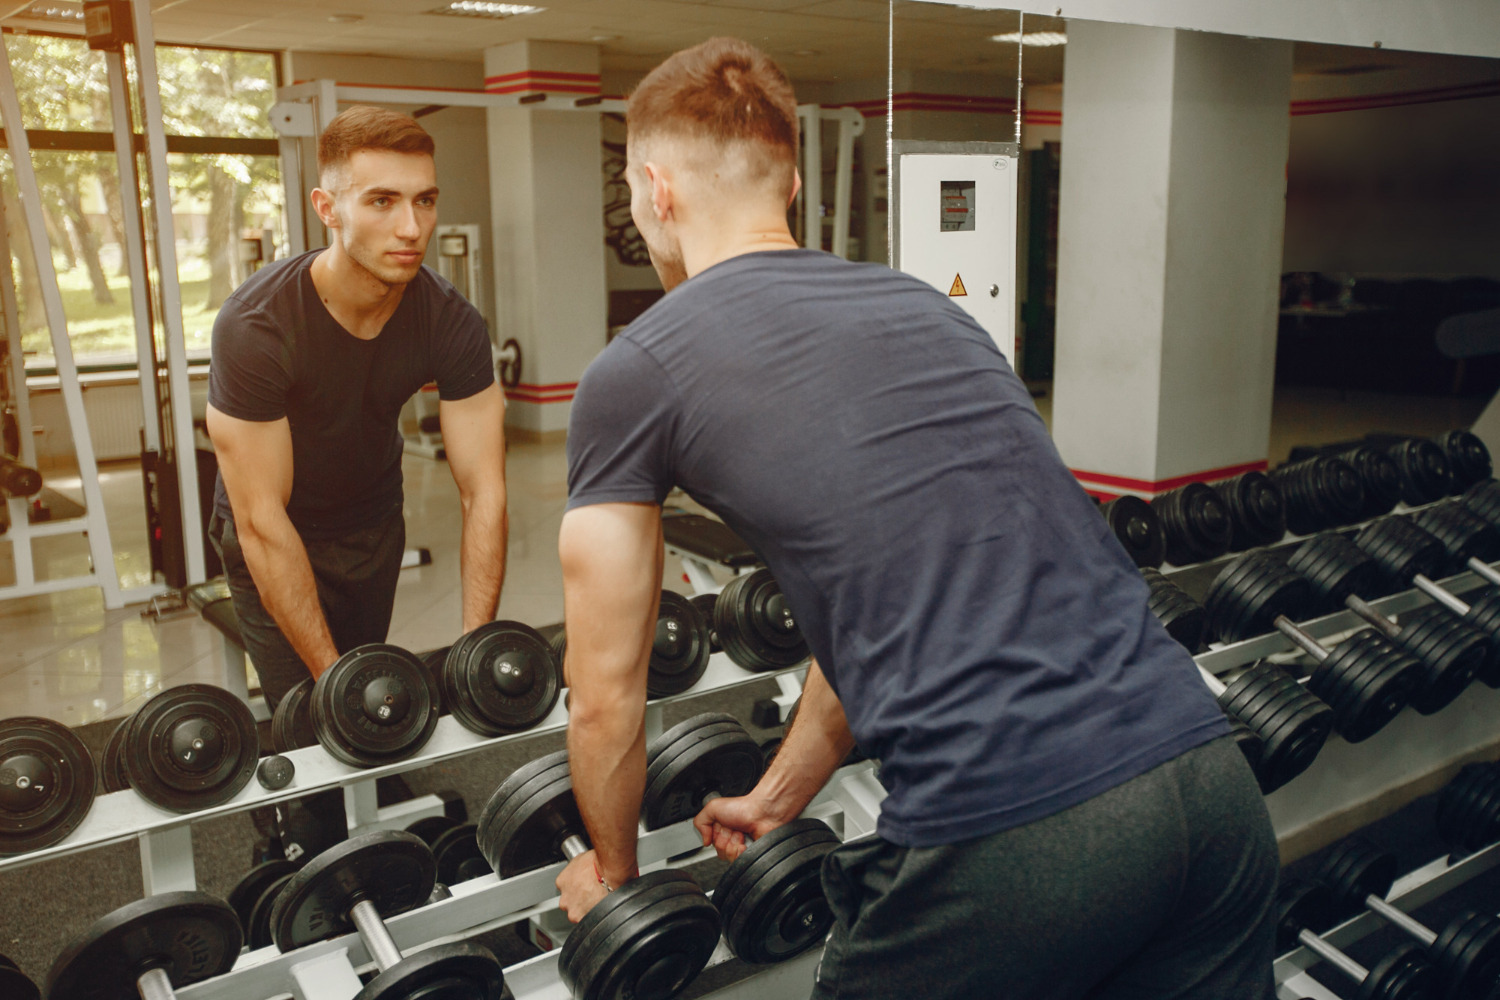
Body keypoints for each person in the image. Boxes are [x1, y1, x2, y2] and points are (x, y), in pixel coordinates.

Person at [552, 37, 1278, 1000]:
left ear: (654, 188)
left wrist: (613, 878)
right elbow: (904, 597)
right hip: (1206, 782)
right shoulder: (931, 313)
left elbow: (604, 693)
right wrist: (778, 795)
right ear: (795, 182)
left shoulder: (636, 370)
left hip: (1015, 833)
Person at [206, 106, 506, 857]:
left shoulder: (451, 322)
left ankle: (379, 804)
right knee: (315, 714)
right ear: (327, 207)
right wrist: (334, 685)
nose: (411, 226)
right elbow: (261, 521)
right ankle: (294, 845)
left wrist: (475, 648)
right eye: (381, 201)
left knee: (371, 697)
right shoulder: (257, 327)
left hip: (373, 523)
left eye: (425, 200)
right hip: (274, 531)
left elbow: (486, 492)